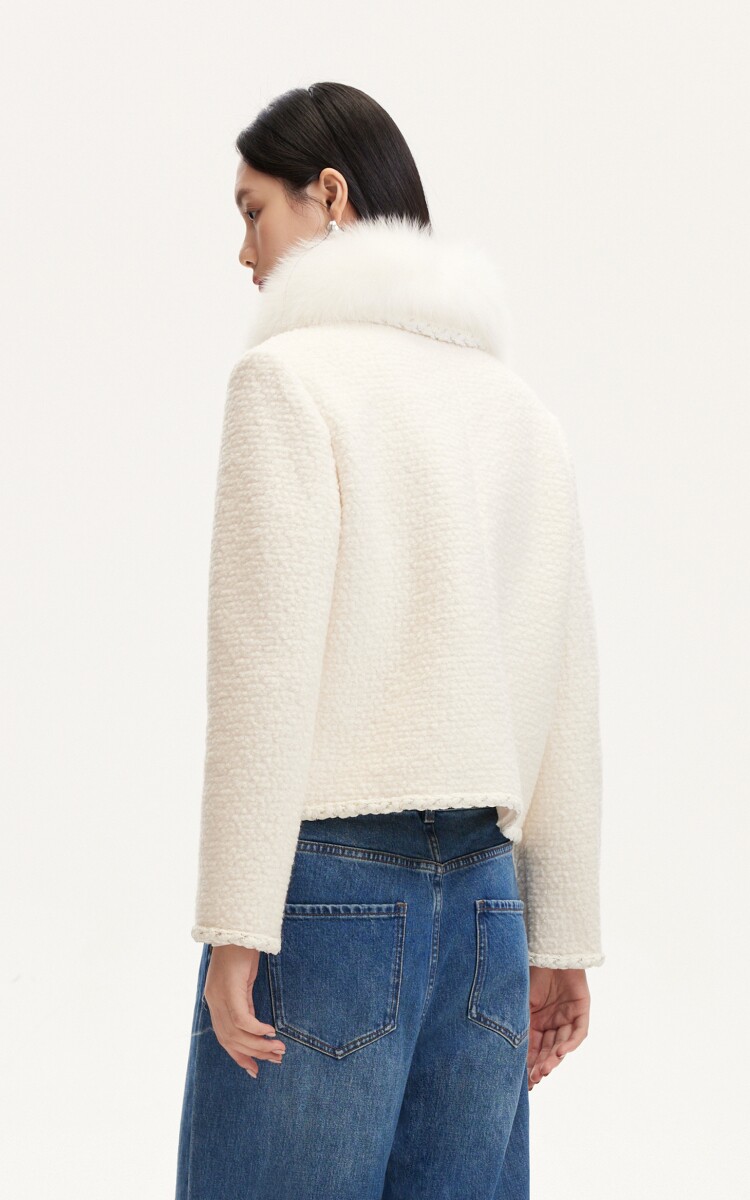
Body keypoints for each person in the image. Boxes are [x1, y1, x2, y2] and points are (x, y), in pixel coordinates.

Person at [175, 81, 605, 1200]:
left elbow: (265, 677)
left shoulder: (287, 382)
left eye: (253, 212)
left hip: (326, 897)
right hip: (490, 912)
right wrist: (561, 939)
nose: (243, 251)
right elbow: (564, 689)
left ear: (329, 195)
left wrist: (236, 926)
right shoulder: (520, 411)